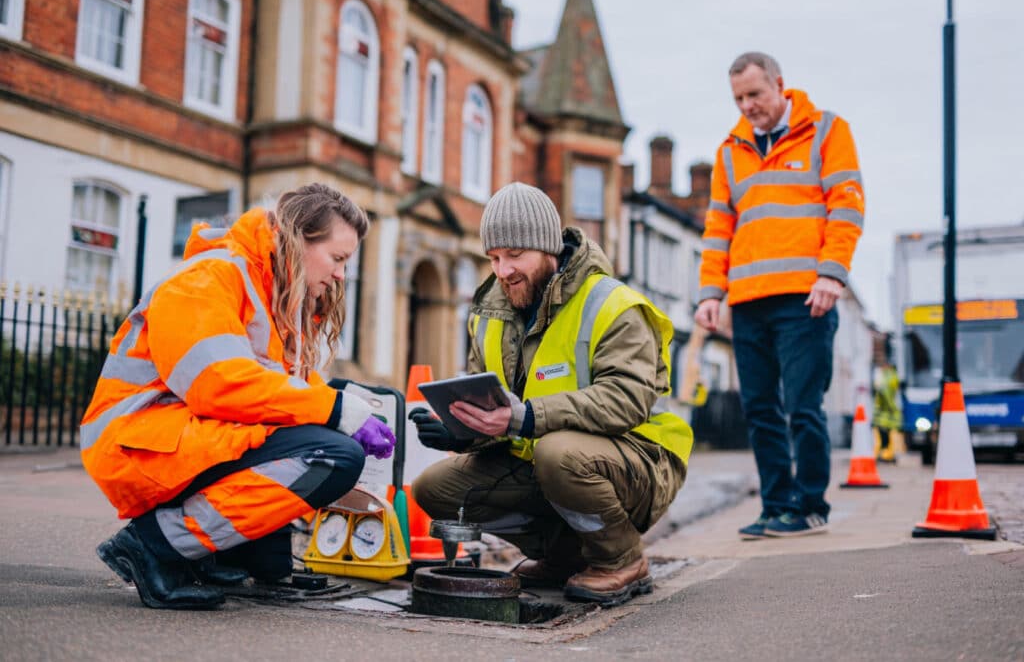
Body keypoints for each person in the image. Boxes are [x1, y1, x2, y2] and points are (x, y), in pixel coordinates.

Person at [80, 183, 395, 610]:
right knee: (330, 456)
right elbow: (220, 384)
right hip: (136, 443)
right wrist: (336, 409)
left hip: (169, 436)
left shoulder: (265, 287)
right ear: (296, 238)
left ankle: (230, 554)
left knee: (318, 436)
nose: (341, 274)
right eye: (337, 258)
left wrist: (339, 408)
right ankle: (154, 544)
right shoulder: (209, 278)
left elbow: (277, 386)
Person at [410, 182, 693, 607]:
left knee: (557, 454)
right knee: (434, 488)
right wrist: (463, 432)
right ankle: (564, 558)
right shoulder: (490, 313)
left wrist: (526, 417)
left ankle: (620, 558)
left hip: (639, 461)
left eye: (515, 255)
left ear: (549, 249)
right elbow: (499, 409)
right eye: (494, 258)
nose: (503, 270)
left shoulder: (613, 304)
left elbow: (627, 400)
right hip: (551, 460)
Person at [695, 52, 865, 539]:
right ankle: (775, 506)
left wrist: (832, 275)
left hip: (805, 297)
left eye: (755, 95)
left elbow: (847, 204)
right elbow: (718, 227)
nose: (747, 106)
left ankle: (810, 506)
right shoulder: (730, 150)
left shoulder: (826, 131)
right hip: (747, 301)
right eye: (738, 99)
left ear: (780, 86)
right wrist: (711, 292)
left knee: (803, 405)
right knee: (761, 409)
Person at [873, 360, 902, 463]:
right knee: (887, 435)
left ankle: (886, 455)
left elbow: (885, 395)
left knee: (884, 435)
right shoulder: (893, 376)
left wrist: (888, 407)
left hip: (886, 413)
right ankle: (887, 454)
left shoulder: (887, 377)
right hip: (889, 413)